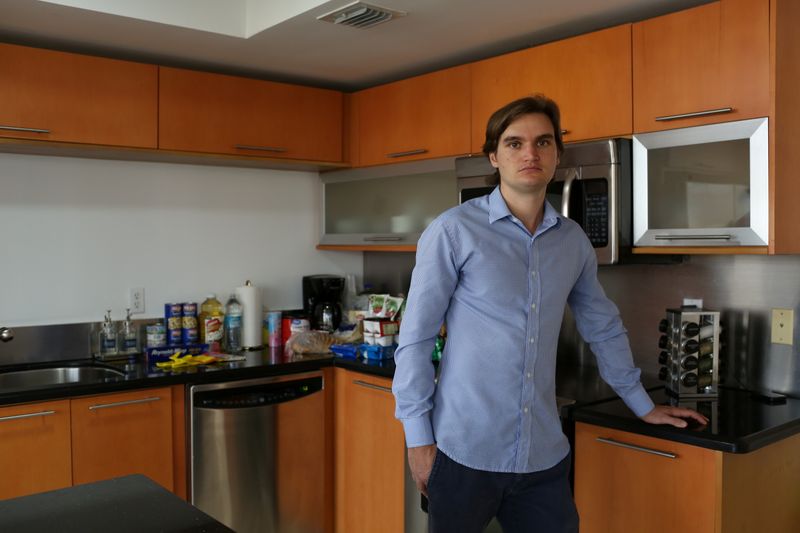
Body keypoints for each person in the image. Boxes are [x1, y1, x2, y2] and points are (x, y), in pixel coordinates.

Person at [391, 95, 708, 533]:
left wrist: (641, 405)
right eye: (514, 143)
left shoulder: (572, 241)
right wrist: (418, 440)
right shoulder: (453, 231)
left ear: (557, 154)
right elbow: (416, 339)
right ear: (494, 156)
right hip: (462, 453)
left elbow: (602, 324)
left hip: (542, 458)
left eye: (543, 142)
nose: (530, 153)